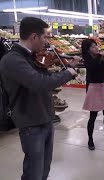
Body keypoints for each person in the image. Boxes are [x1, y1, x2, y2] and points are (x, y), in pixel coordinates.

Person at [0, 17, 79, 180]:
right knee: (33, 173)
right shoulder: (13, 60)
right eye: (45, 37)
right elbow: (40, 83)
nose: (47, 41)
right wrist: (68, 73)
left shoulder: (32, 56)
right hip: (31, 123)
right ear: (34, 37)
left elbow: (46, 76)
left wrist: (67, 65)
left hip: (44, 118)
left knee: (44, 169)